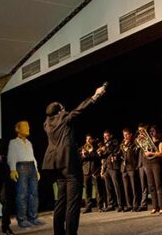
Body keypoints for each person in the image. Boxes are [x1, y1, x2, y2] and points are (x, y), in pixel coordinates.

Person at [42, 85, 106, 235]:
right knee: (73, 202)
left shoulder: (47, 124)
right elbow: (80, 110)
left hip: (55, 164)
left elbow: (50, 115)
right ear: (60, 111)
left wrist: (56, 110)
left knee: (61, 201)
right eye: (62, 108)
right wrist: (95, 96)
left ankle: (59, 232)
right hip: (68, 163)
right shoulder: (63, 118)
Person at [7, 120, 43, 228]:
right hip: (21, 167)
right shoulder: (14, 142)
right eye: (25, 126)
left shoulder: (29, 142)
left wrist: (36, 170)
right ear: (18, 129)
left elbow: (33, 158)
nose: (28, 128)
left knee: (34, 194)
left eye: (28, 126)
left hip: (31, 167)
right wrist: (13, 169)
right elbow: (11, 156)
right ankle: (22, 219)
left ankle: (33, 217)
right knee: (22, 194)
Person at [79, 134, 105, 213]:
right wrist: (83, 155)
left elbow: (98, 157)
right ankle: (88, 207)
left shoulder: (97, 147)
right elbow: (80, 159)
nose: (88, 141)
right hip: (86, 171)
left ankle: (99, 206)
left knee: (98, 190)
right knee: (87, 190)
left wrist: (91, 152)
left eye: (89, 139)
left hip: (95, 171)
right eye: (87, 139)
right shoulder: (83, 148)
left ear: (92, 140)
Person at [100, 129, 123, 212]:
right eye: (104, 136)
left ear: (111, 136)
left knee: (117, 187)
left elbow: (111, 150)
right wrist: (100, 152)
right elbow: (104, 156)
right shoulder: (105, 145)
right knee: (108, 187)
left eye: (107, 136)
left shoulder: (114, 142)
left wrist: (105, 147)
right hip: (107, 168)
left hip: (114, 167)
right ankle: (111, 204)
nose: (105, 138)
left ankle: (120, 204)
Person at [144, 125, 162, 214]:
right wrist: (146, 153)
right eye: (150, 131)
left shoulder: (160, 142)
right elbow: (145, 151)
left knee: (158, 185)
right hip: (148, 164)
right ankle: (154, 206)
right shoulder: (147, 142)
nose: (152, 133)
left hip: (156, 164)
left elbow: (161, 153)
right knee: (151, 186)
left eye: (153, 131)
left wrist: (151, 153)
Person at [118, 128, 139, 212]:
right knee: (126, 188)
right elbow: (120, 153)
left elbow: (135, 154)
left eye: (127, 135)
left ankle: (135, 205)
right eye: (124, 135)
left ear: (130, 135)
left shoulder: (134, 143)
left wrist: (128, 146)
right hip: (124, 168)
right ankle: (129, 205)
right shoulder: (122, 143)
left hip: (132, 167)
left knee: (134, 187)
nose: (125, 136)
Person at [136, 123, 149, 212]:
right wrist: (138, 140)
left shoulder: (149, 137)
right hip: (141, 163)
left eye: (142, 130)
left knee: (152, 184)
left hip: (149, 162)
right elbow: (136, 147)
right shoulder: (138, 138)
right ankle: (143, 204)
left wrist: (146, 138)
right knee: (143, 185)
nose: (140, 132)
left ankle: (158, 204)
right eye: (139, 130)